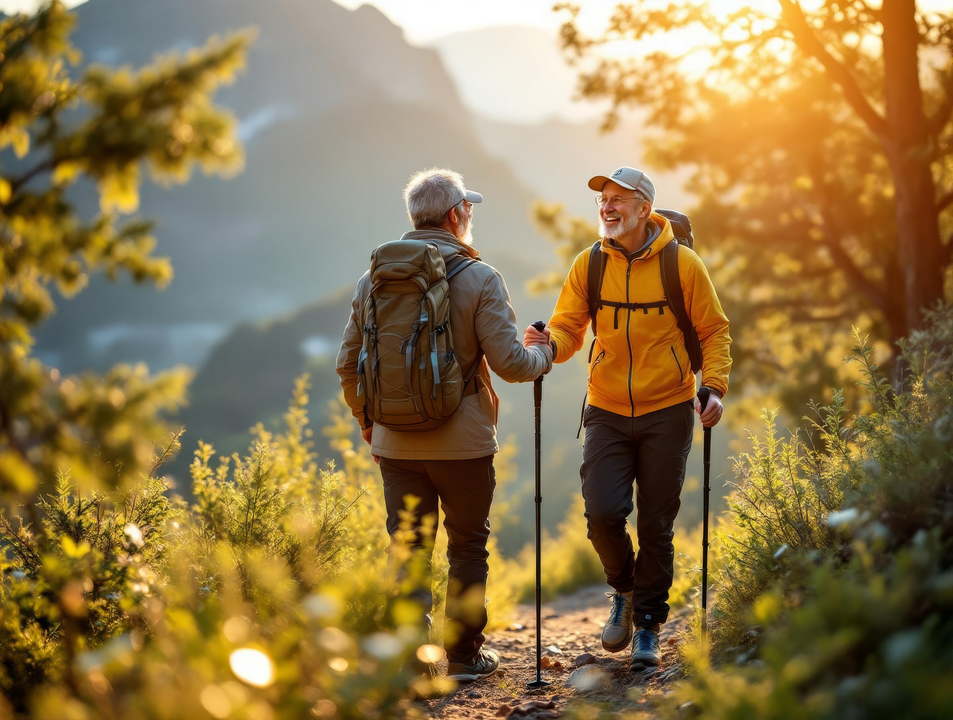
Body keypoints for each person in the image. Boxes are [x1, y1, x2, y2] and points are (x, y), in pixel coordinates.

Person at [337, 168, 553, 682]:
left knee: (408, 548)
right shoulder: (481, 278)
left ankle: (412, 660)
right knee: (467, 545)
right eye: (468, 208)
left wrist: (370, 424)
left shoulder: (373, 279)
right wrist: (543, 355)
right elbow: (511, 365)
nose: (469, 215)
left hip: (395, 442)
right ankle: (462, 657)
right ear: (456, 216)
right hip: (464, 445)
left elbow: (348, 364)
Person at [524, 166, 731, 670]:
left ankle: (649, 627)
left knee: (657, 522)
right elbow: (569, 328)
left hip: (669, 409)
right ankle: (624, 590)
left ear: (644, 209)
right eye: (604, 199)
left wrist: (714, 387)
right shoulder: (590, 264)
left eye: (619, 198)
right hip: (606, 409)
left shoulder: (683, 264)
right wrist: (548, 344)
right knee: (602, 513)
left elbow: (714, 331)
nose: (608, 206)